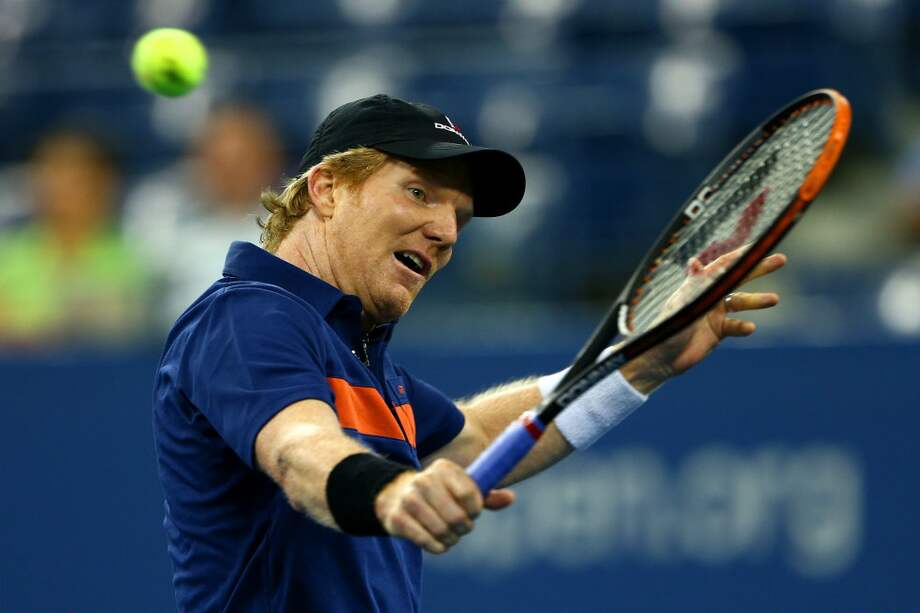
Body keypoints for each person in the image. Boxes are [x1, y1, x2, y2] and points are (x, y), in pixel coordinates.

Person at [152, 94, 785, 612]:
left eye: (461, 214)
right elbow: (299, 452)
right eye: (420, 193)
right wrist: (391, 495)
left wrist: (642, 358)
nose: (447, 232)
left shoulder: (352, 348)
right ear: (326, 189)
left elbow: (475, 437)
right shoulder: (248, 315)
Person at [124, 102, 284, 329]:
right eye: (220, 160)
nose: (231, 173)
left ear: (270, 160)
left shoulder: (295, 224)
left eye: (243, 160)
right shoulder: (161, 215)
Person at [0, 127, 149, 346]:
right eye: (49, 173)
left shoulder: (135, 255)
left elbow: (124, 324)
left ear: (104, 184)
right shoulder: (8, 253)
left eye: (76, 177)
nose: (58, 188)